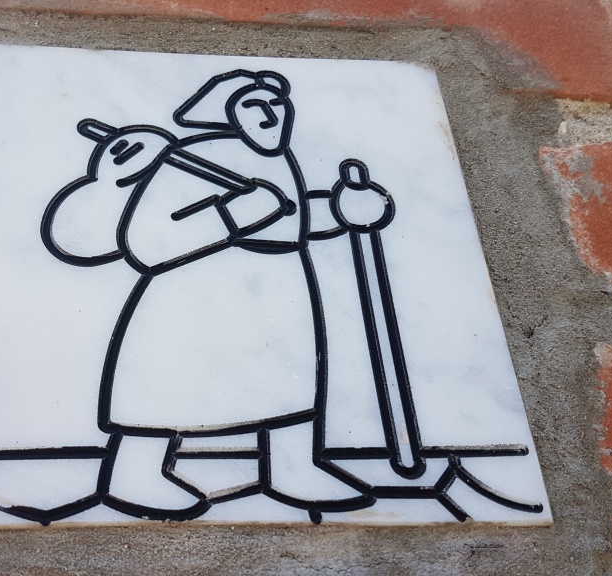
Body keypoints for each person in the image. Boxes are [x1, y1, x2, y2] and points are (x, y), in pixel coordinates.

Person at [42, 70, 383, 519]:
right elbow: (148, 242)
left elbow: (291, 220)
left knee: (288, 380)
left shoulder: (280, 159)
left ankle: (292, 465)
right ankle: (134, 474)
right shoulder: (186, 159)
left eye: (275, 105)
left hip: (277, 293)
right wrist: (235, 215)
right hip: (194, 296)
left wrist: (341, 210)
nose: (270, 116)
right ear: (226, 115)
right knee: (163, 388)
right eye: (253, 106)